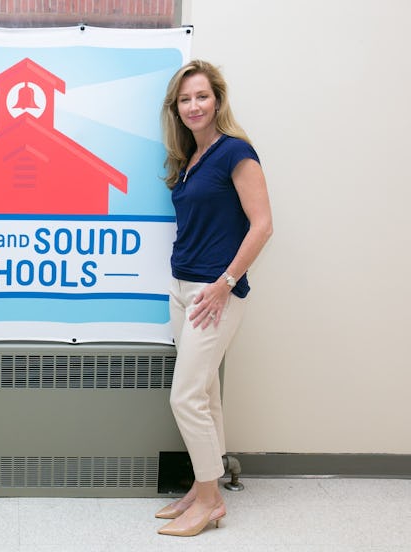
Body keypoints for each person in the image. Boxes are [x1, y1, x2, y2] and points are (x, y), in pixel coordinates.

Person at [154, 60, 273, 537]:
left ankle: (210, 501)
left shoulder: (235, 152)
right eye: (185, 99)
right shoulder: (191, 160)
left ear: (217, 101)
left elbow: (263, 225)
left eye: (201, 96)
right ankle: (206, 486)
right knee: (203, 394)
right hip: (182, 289)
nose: (194, 105)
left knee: (184, 398)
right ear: (176, 110)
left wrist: (224, 283)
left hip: (214, 292)